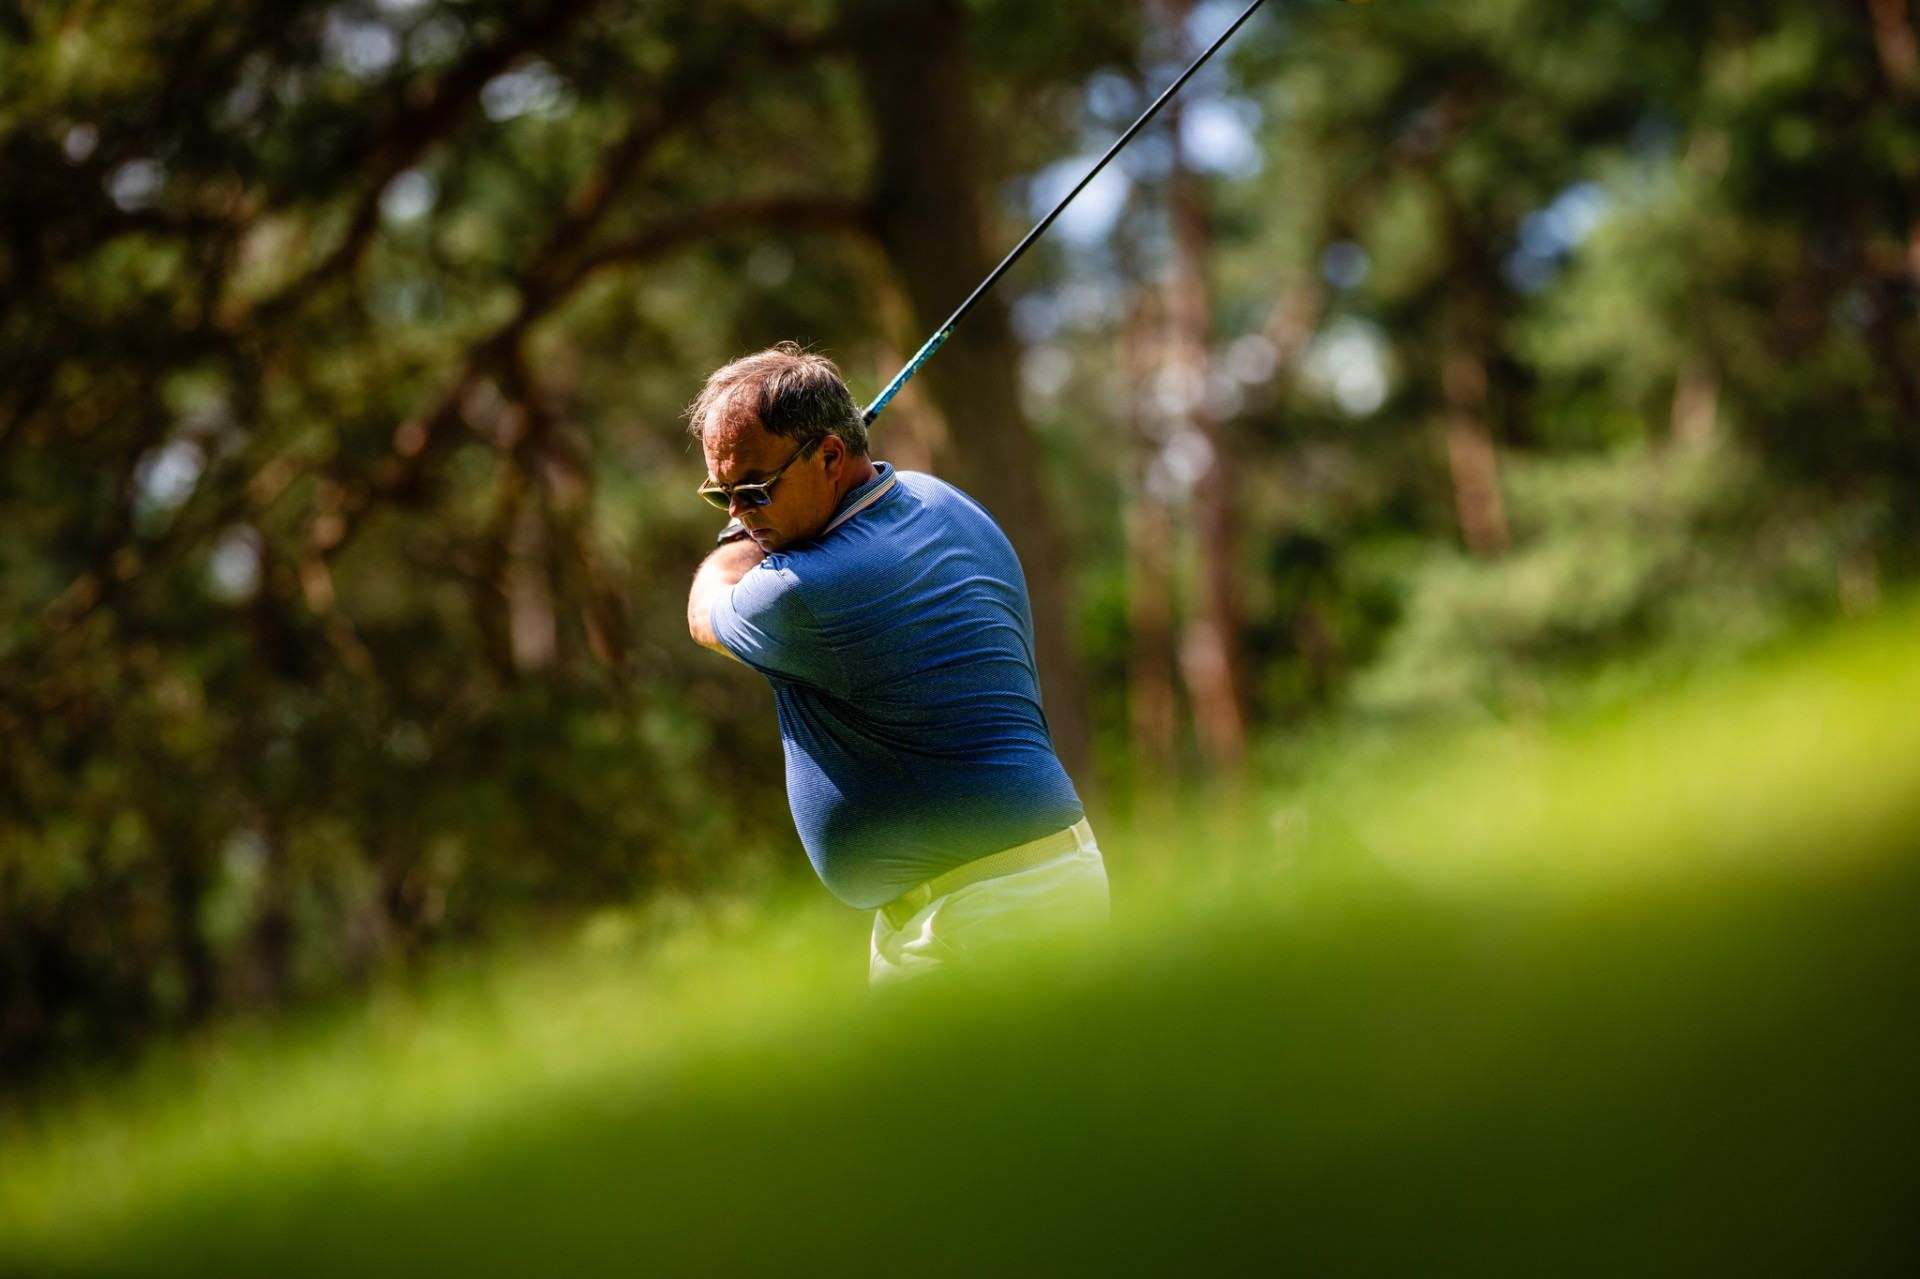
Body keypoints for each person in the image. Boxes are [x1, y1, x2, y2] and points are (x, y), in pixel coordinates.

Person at [684, 343, 1107, 986]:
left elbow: (702, 614)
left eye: (754, 489)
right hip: (1019, 884)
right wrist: (765, 514)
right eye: (722, 496)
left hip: (985, 912)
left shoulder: (805, 592)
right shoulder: (938, 498)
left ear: (831, 456)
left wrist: (736, 542)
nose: (740, 512)